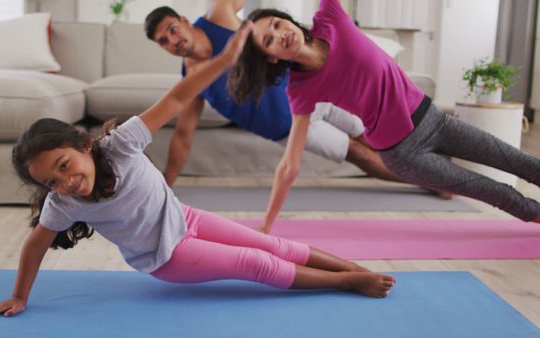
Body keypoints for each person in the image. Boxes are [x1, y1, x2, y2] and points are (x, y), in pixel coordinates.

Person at [0, 24, 396, 319]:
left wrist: (225, 59)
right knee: (257, 263)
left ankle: (351, 267)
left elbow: (178, 98)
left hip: (185, 217)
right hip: (167, 256)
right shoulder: (63, 203)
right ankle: (348, 282)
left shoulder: (119, 144)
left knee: (276, 245)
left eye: (64, 166)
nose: (65, 183)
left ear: (84, 145)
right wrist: (18, 297)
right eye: (52, 181)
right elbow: (34, 247)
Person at [227, 1, 540, 234]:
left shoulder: (331, 18)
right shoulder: (300, 89)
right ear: (271, 57)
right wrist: (266, 225)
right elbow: (290, 164)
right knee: (494, 191)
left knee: (515, 160)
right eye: (268, 40)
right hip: (402, 153)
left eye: (277, 25)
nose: (280, 35)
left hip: (434, 120)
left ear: (287, 20)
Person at [144, 3, 416, 189]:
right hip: (288, 128)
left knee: (372, 135)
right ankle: (426, 180)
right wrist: (166, 185)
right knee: (359, 154)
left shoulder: (219, 15)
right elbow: (183, 136)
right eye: (163, 41)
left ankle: (431, 166)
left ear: (182, 20)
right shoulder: (192, 80)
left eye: (172, 29)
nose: (173, 40)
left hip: (314, 91)